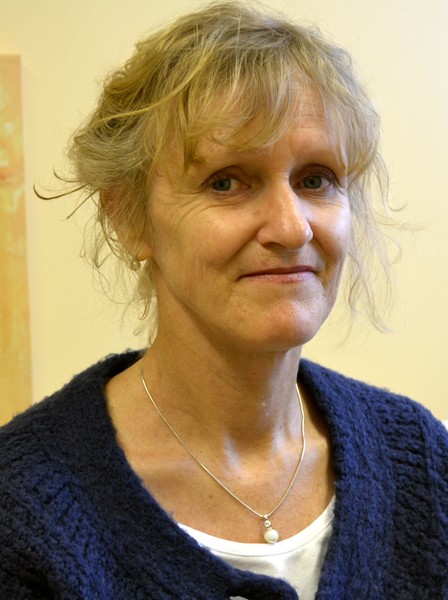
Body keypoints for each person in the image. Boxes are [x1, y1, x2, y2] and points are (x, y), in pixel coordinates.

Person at [1, 2, 447, 598]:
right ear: (130, 218)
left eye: (315, 179)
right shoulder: (24, 508)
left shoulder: (419, 461)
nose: (291, 228)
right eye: (227, 181)